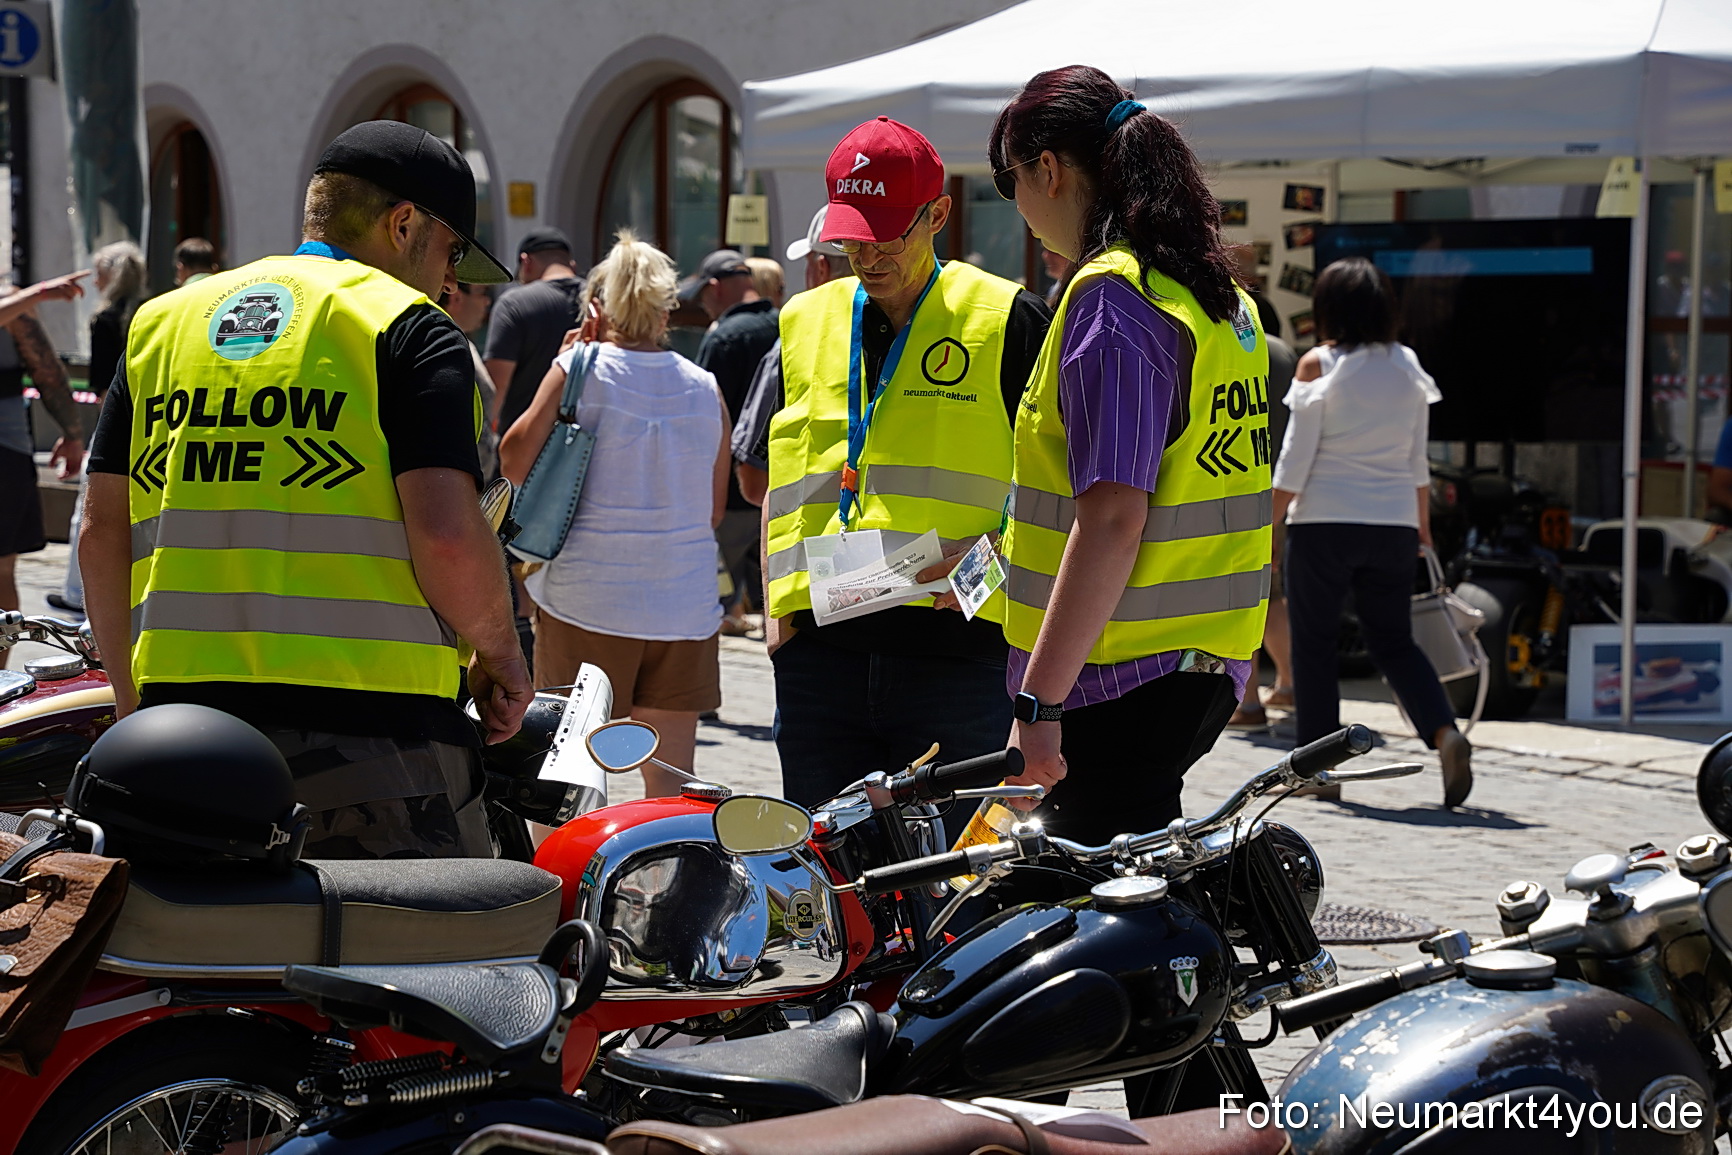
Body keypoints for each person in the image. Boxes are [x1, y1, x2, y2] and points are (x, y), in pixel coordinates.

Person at [79, 120, 530, 859]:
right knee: (431, 960)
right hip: (373, 750)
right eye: (451, 252)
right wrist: (500, 650)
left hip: (181, 735)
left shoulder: (161, 323)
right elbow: (448, 533)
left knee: (207, 966)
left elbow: (103, 533)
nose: (452, 282)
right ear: (404, 222)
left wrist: (134, 709)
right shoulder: (407, 327)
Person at [987, 66, 1272, 850]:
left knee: (1070, 929)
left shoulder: (1115, 298)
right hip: (1203, 664)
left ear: (1047, 168)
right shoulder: (1218, 297)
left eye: (1010, 179)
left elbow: (1112, 518)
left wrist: (1039, 706)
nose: (1019, 208)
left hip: (1116, 675)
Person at [760, 116, 1052, 815]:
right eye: (853, 233)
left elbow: (1059, 487)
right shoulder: (804, 321)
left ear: (939, 214)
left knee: (951, 885)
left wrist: (994, 573)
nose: (869, 252)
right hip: (822, 655)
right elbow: (781, 474)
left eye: (890, 229)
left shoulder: (1008, 317)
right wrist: (781, 624)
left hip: (957, 657)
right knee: (831, 888)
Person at [500, 230, 730, 797]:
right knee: (671, 785)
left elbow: (512, 457)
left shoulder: (579, 364)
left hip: (587, 596)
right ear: (666, 306)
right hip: (684, 605)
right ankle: (661, 880)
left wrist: (564, 362)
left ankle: (563, 882)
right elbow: (714, 510)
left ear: (597, 304)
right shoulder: (704, 386)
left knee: (566, 776)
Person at [1272, 256, 1472, 807]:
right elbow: (1416, 463)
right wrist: (1423, 531)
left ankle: (1321, 770)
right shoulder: (1408, 366)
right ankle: (1443, 731)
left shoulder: (1318, 366)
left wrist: (1266, 523)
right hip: (1394, 527)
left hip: (1323, 525)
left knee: (1314, 647)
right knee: (1394, 641)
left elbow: (1294, 462)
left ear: (1327, 309)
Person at [0, 271, 94, 662]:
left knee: (3, 572)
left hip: (5, 453)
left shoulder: (14, 306)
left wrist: (72, 432)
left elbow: (48, 372)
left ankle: (2, 680)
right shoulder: (16, 303)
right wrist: (36, 295)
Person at [733, 207, 851, 508]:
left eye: (808, 264)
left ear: (821, 269)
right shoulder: (910, 331)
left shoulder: (797, 341)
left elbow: (754, 480)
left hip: (810, 543)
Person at [54, 242, 148, 616]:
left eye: (97, 273)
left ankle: (79, 593)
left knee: (90, 509)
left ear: (109, 276)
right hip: (156, 420)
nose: (93, 280)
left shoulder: (105, 319)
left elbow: (105, 386)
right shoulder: (150, 311)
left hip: (119, 418)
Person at [688, 248, 778, 634]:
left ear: (714, 288)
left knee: (713, 606)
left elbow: (702, 418)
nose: (704, 306)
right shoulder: (788, 324)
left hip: (726, 492)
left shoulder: (722, 338)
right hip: (781, 486)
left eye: (702, 297)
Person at [1227, 295, 1298, 730]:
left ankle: (1248, 701)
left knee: (1247, 598)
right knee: (1272, 596)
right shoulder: (1286, 354)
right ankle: (1289, 683)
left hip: (1244, 488)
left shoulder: (1237, 346)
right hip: (1283, 488)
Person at [484, 226, 583, 435]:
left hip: (524, 448)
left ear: (526, 262)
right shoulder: (601, 301)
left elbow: (495, 387)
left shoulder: (514, 304)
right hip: (589, 447)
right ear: (571, 266)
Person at [445, 281, 499, 480]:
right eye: (481, 292)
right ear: (456, 296)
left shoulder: (461, 343)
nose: (487, 302)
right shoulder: (445, 349)